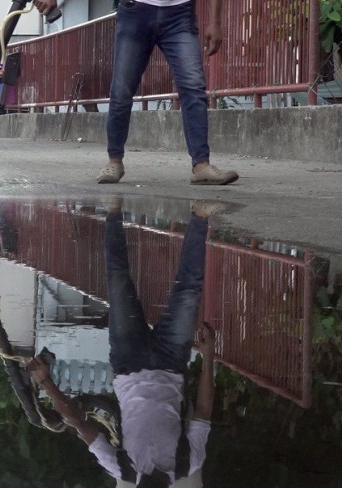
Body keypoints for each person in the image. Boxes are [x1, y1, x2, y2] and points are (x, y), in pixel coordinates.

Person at [34, 0, 238, 186]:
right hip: (134, 11)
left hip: (178, 15)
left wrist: (216, 22)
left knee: (193, 88)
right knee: (121, 90)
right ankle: (114, 161)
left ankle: (202, 165)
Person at [27, 197, 219, 487]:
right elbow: (203, 411)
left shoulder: (122, 469)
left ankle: (114, 212)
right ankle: (200, 218)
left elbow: (78, 423)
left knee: (118, 281)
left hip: (129, 362)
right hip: (171, 362)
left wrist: (46, 383)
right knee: (189, 291)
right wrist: (208, 356)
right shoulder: (188, 462)